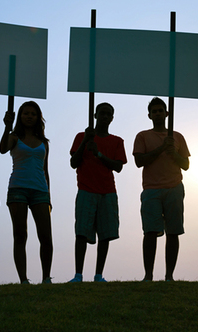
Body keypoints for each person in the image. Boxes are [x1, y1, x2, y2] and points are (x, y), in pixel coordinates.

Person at [68, 103, 127, 283]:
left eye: (108, 114)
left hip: (107, 191)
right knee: (81, 233)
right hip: (86, 189)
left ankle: (98, 275)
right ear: (95, 115)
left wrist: (99, 154)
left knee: (105, 234)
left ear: (112, 118)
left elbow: (118, 166)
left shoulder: (117, 141)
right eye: (102, 113)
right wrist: (86, 141)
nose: (105, 116)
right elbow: (74, 162)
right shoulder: (81, 137)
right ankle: (78, 274)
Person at [133, 97, 190, 281]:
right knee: (150, 232)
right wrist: (161, 149)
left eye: (160, 110)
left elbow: (186, 164)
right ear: (149, 115)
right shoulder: (142, 136)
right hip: (151, 190)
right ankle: (148, 275)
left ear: (167, 113)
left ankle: (169, 276)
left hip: (174, 187)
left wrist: (173, 153)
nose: (157, 113)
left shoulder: (177, 136)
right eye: (154, 111)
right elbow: (139, 161)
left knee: (173, 232)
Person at [0, 101, 53, 284]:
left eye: (33, 113)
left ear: (38, 117)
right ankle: (23, 279)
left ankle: (46, 277)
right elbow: (2, 149)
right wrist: (7, 127)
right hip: (18, 188)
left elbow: (46, 171)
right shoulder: (14, 137)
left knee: (45, 236)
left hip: (40, 190)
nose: (29, 116)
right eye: (25, 113)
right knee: (20, 234)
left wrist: (49, 196)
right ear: (20, 116)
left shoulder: (44, 142)